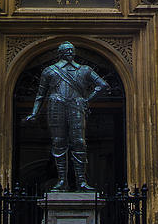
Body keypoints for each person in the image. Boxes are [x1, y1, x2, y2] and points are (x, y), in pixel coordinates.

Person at [25, 42, 108, 191]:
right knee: (58, 143)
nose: (69, 52)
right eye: (66, 50)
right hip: (56, 106)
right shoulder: (49, 71)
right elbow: (40, 94)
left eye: (72, 50)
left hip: (76, 105)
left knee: (79, 142)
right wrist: (34, 113)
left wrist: (87, 100)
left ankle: (81, 182)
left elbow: (103, 85)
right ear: (60, 53)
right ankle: (62, 181)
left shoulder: (85, 70)